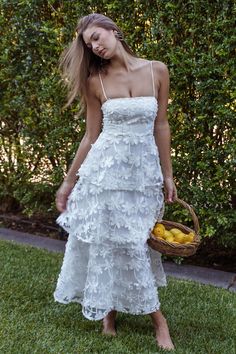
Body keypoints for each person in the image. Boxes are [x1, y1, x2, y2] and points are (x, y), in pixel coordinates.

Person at [54, 13, 177, 351]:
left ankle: (112, 309)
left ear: (112, 30)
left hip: (143, 175)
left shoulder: (157, 70)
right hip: (105, 175)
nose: (95, 46)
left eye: (97, 37)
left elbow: (161, 125)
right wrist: (68, 183)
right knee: (112, 241)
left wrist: (168, 174)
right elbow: (91, 137)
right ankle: (155, 320)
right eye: (89, 44)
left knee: (136, 241)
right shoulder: (96, 81)